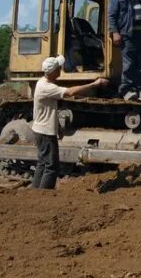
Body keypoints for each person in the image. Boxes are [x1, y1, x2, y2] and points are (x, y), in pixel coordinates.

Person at [31, 55, 108, 189]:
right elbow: (70, 92)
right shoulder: (47, 87)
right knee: (51, 167)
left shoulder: (42, 83)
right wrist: (94, 84)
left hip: (41, 130)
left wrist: (57, 128)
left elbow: (49, 110)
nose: (61, 69)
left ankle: (34, 192)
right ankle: (43, 195)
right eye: (59, 68)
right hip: (45, 133)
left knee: (43, 164)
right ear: (54, 71)